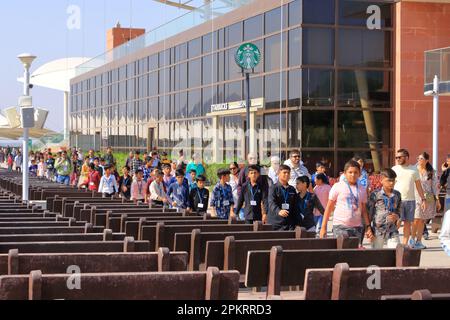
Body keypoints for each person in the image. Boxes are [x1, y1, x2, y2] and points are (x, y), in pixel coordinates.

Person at [320, 160, 374, 246]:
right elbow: (329, 207)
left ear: (359, 174)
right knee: (342, 254)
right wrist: (323, 227)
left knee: (354, 255)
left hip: (357, 227)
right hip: (340, 227)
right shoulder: (338, 186)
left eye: (356, 172)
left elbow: (363, 210)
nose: (353, 175)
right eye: (350, 172)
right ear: (344, 173)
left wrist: (368, 227)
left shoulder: (362, 189)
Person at [392, 149, 427, 247]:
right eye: (396, 157)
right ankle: (393, 240)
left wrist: (423, 199)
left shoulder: (414, 170)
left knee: (407, 224)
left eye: (400, 157)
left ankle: (404, 245)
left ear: (406, 157)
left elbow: (419, 186)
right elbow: (390, 184)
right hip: (397, 200)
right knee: (396, 222)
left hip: (410, 201)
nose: (397, 159)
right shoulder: (394, 169)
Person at [410, 153, 441, 249]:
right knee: (415, 219)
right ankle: (412, 239)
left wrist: (438, 200)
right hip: (415, 197)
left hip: (428, 199)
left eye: (421, 158)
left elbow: (435, 186)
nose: (419, 160)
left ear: (427, 160)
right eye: (418, 158)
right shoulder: (413, 170)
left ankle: (419, 241)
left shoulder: (431, 171)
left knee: (422, 220)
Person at [368, 168, 402, 249]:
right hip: (378, 231)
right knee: (377, 256)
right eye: (389, 180)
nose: (392, 183)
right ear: (381, 180)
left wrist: (397, 216)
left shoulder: (397, 194)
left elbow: (399, 210)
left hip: (392, 230)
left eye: (393, 180)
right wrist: (368, 229)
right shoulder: (375, 194)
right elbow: (369, 212)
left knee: (395, 254)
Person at [267, 165, 298, 230]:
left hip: (289, 224)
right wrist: (279, 211)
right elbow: (271, 202)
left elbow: (295, 206)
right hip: (276, 223)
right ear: (278, 174)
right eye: (284, 172)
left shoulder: (292, 189)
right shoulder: (273, 188)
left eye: (288, 173)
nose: (287, 174)